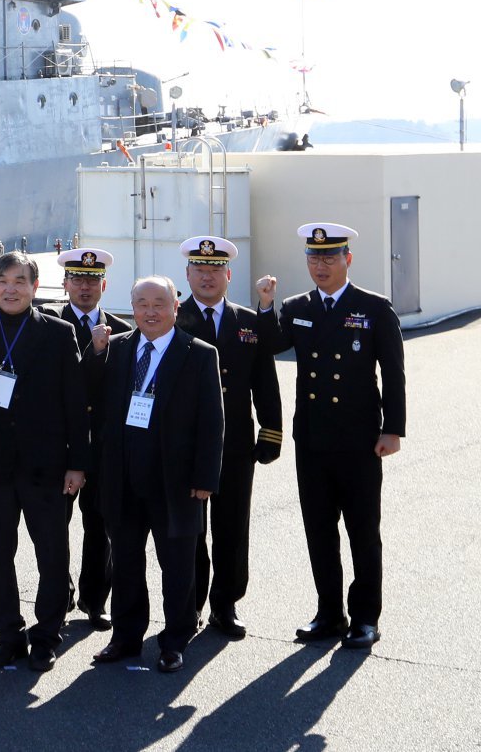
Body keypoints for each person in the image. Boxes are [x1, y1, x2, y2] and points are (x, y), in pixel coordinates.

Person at [256, 222, 405, 650]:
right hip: (314, 439)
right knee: (319, 529)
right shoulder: (296, 305)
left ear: (347, 260)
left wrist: (392, 429)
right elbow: (271, 344)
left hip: (361, 441)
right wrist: (265, 305)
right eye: (313, 257)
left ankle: (364, 617)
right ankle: (329, 612)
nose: (320, 265)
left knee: (362, 530)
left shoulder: (373, 308)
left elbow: (393, 374)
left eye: (329, 257)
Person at [0, 250, 88, 673]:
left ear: (35, 286)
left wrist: (77, 462)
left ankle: (47, 635)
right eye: (2, 281)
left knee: (52, 553)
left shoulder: (58, 331)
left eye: (19, 281)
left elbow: (75, 401)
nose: (10, 289)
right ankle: (8, 634)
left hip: (46, 464)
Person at [86, 275, 223, 674]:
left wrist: (205, 478)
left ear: (175, 307)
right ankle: (126, 638)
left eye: (158, 303)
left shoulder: (199, 354)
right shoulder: (113, 348)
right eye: (141, 303)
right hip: (122, 477)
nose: (149, 311)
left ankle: (175, 641)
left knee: (177, 566)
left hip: (175, 482)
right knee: (126, 563)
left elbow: (212, 422)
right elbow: (86, 396)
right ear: (131, 307)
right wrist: (93, 356)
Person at [176, 236, 283, 640]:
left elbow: (265, 382)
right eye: (200, 270)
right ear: (187, 275)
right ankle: (190, 602)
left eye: (215, 270)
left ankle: (226, 602)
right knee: (190, 528)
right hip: (186, 445)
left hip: (236, 444)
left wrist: (270, 432)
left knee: (233, 525)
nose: (207, 277)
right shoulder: (173, 318)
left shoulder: (248, 323)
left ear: (228, 274)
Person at [55, 247, 130, 632]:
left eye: (91, 280)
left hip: (103, 446)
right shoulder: (49, 323)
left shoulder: (123, 332)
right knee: (55, 524)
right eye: (77, 279)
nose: (84, 287)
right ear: (65, 283)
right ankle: (59, 591)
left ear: (104, 283)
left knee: (100, 525)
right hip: (61, 444)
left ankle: (95, 599)